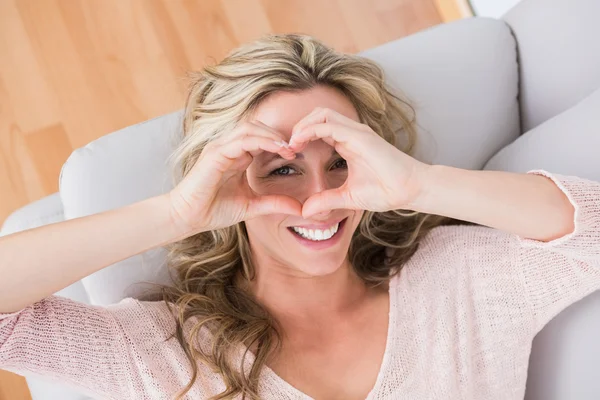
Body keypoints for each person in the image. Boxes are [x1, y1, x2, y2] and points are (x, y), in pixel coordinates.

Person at [1, 33, 599, 400]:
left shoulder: (455, 282)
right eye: (282, 168)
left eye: (340, 162)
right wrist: (179, 212)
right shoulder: (167, 352)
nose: (320, 198)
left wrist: (418, 183)